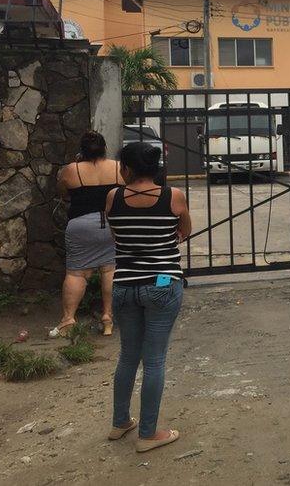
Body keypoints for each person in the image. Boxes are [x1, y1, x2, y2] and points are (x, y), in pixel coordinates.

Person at [105, 142, 192, 453]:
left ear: (127, 169)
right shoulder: (174, 197)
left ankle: (119, 422)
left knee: (128, 355)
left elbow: (116, 236)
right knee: (154, 359)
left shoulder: (113, 197)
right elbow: (185, 231)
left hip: (125, 285)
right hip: (162, 284)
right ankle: (148, 433)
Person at [51, 131, 123, 338]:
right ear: (104, 148)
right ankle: (108, 317)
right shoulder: (118, 167)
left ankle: (68, 320)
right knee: (109, 270)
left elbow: (62, 191)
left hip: (80, 224)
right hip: (111, 224)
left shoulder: (71, 169)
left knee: (77, 273)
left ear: (82, 149)